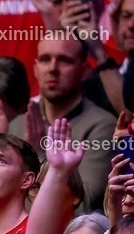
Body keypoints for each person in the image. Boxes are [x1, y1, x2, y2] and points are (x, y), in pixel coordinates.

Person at [8, 34, 115, 211]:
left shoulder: (102, 125)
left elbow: (83, 204)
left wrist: (38, 158)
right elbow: (2, 201)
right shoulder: (17, 125)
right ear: (35, 69)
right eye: (45, 59)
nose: (52, 69)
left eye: (64, 60)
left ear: (85, 69)